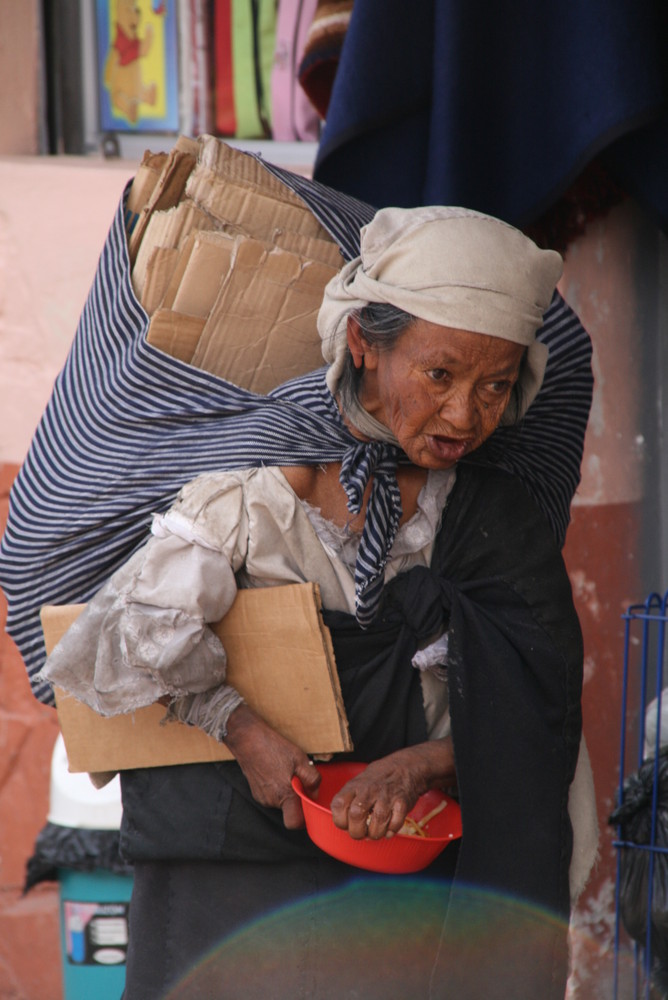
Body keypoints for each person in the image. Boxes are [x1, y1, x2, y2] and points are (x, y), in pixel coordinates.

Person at [34, 202, 597, 999]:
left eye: (496, 385)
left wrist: (430, 763)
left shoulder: (492, 518)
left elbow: (538, 714)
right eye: (439, 375)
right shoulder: (257, 484)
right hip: (233, 876)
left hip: (411, 886)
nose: (465, 415)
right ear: (365, 344)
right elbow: (127, 638)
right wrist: (241, 725)